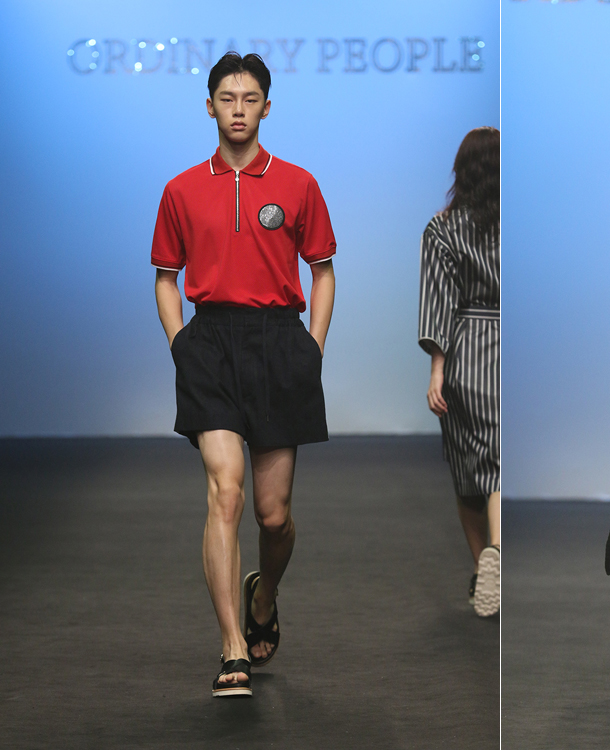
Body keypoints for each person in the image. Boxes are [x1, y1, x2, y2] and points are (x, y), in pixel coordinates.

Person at [151, 52, 337, 697]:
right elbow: (166, 277)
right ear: (210, 106)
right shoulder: (180, 189)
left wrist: (312, 346)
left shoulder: (298, 183)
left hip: (279, 342)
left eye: (249, 98)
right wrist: (181, 344)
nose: (238, 109)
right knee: (224, 493)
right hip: (211, 346)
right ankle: (232, 648)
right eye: (227, 98)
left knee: (273, 515)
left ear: (266, 107)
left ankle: (265, 595)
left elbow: (322, 270)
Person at [418, 126, 501, 618]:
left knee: (469, 472)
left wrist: (437, 370)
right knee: (500, 463)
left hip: (468, 349)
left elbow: (439, 301)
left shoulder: (442, 228)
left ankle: (483, 565)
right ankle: (498, 556)